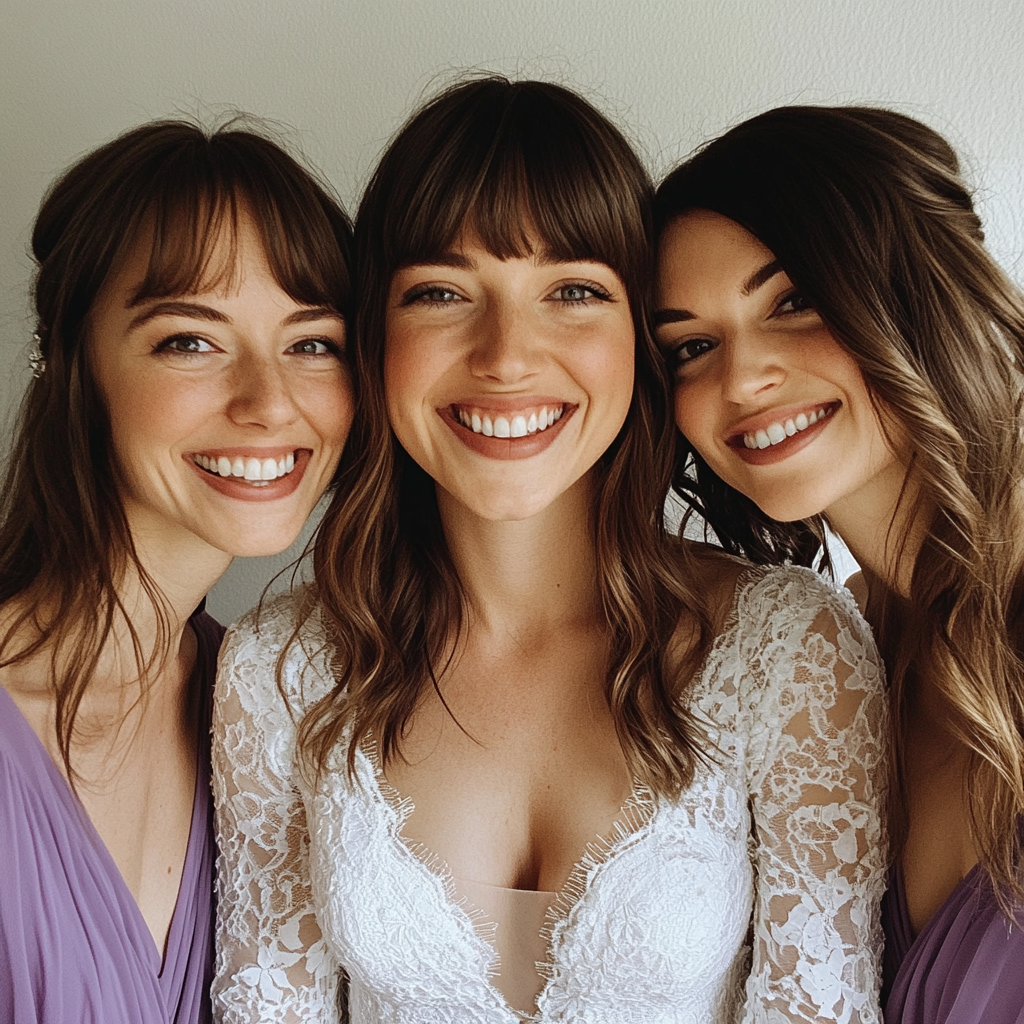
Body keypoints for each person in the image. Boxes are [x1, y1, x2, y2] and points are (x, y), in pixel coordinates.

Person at [214, 79, 888, 1024]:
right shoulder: (278, 671)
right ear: (374, 335)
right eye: (443, 293)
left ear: (640, 340)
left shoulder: (787, 654)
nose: (506, 355)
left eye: (573, 291)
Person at [654, 105, 1024, 1024]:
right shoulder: (842, 650)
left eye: (793, 302)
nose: (740, 380)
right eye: (692, 347)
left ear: (918, 289)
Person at [0, 120, 354, 1024]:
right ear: (73, 365)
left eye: (312, 342)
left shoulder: (267, 709)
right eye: (190, 342)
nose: (269, 401)